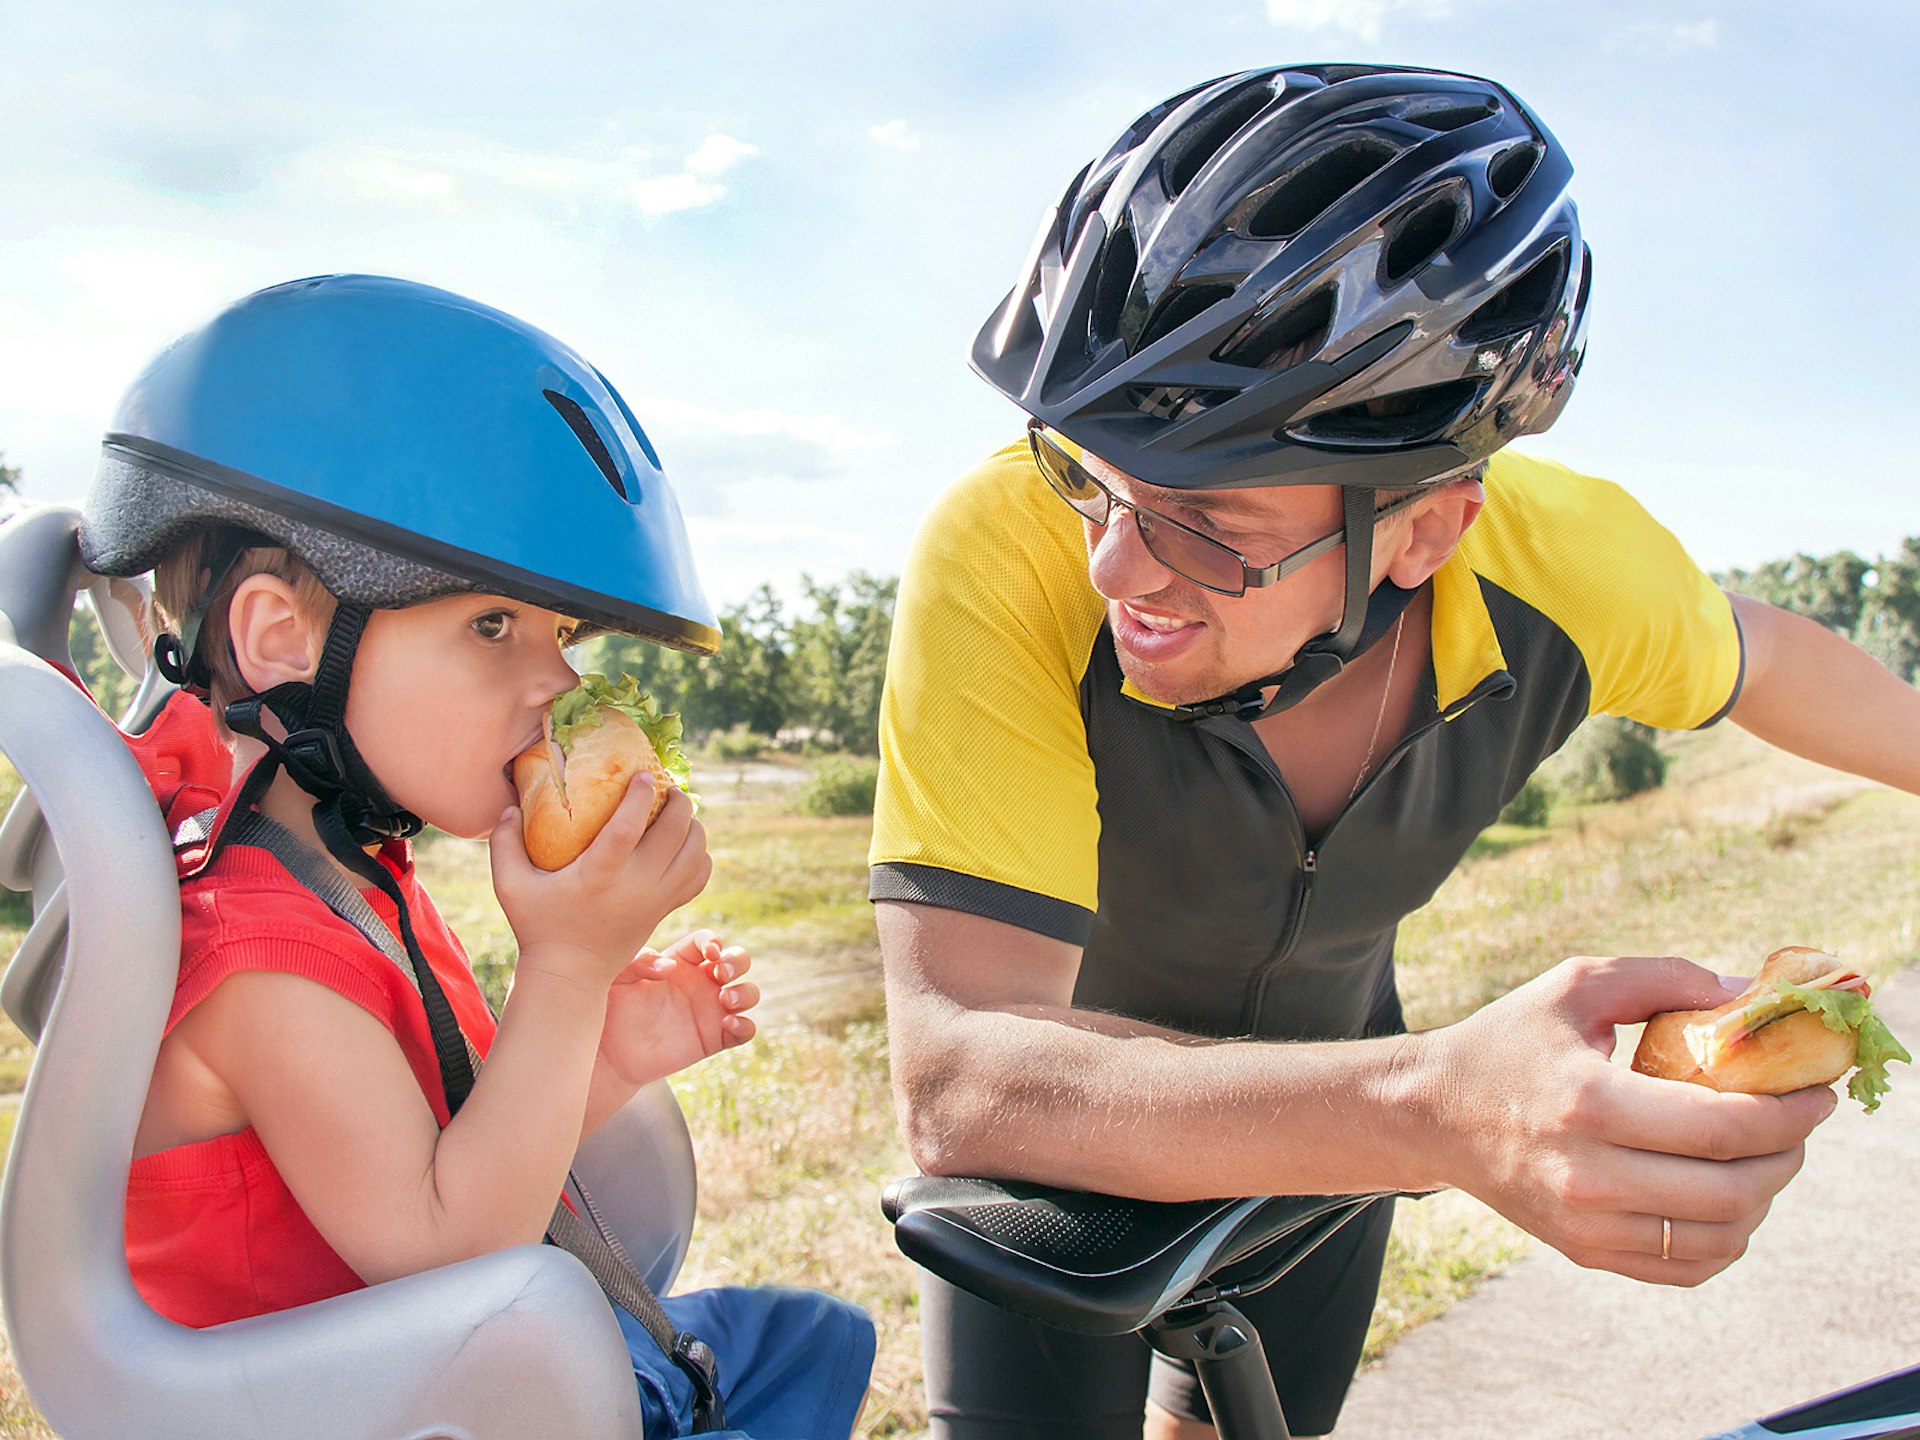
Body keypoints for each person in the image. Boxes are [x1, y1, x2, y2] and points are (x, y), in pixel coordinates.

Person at [868, 64, 1920, 1440]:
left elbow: (1765, 658)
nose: (1116, 560)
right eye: (1089, 475)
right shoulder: (999, 550)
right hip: (1063, 1137)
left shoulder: (1564, 567)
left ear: (1424, 530)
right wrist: (1440, 1108)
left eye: (1210, 523)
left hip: (1340, 1101)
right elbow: (962, 1072)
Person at [80, 274, 875, 1440]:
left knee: (803, 1337)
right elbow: (451, 1253)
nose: (556, 679)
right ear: (281, 641)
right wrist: (563, 966)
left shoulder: (348, 873)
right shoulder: (256, 961)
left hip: (445, 1379)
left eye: (558, 634)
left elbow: (458, 1144)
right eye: (492, 626)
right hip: (360, 1409)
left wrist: (600, 1054)